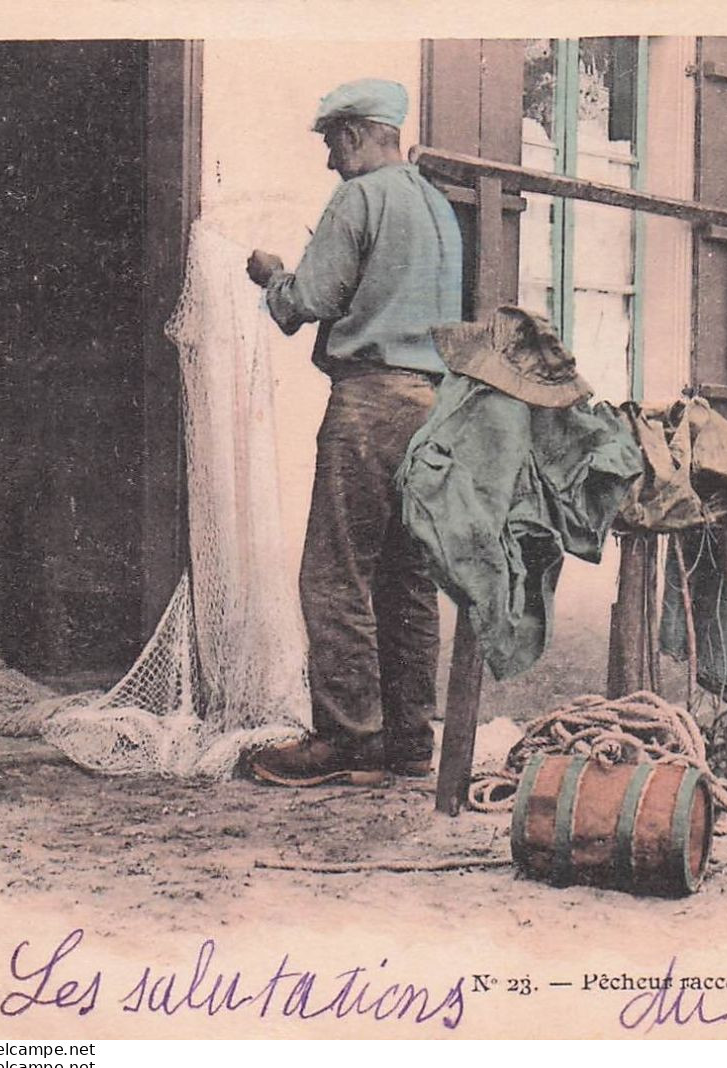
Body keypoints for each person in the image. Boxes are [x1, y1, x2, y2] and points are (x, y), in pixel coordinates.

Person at [244, 78, 464, 786]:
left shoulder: (358, 198)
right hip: (431, 405)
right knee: (408, 576)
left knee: (335, 572)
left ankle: (344, 739)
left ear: (357, 133)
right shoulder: (434, 203)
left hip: (369, 402)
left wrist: (273, 275)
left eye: (332, 142)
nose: (330, 160)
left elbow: (310, 300)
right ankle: (407, 740)